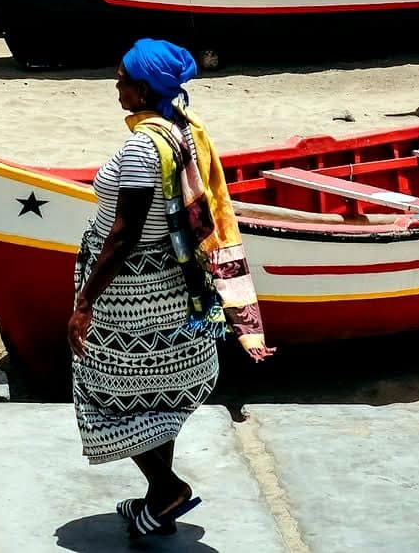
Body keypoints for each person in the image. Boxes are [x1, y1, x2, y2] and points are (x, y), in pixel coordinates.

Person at [68, 39, 272, 539]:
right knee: (154, 396)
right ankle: (157, 504)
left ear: (141, 89)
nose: (115, 86)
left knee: (108, 394)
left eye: (121, 79)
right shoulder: (184, 129)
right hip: (175, 286)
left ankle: (168, 487)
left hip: (134, 295)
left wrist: (85, 303)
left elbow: (125, 233)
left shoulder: (142, 147)